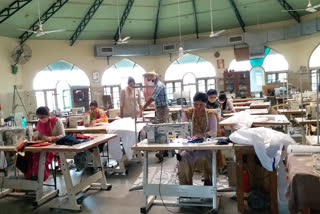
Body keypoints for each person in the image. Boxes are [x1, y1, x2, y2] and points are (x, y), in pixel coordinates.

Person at [177, 92, 225, 185]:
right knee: (182, 158)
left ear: (206, 104)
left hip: (206, 147)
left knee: (209, 158)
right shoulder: (187, 113)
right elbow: (184, 131)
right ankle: (186, 187)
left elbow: (214, 132)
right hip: (191, 148)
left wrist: (202, 135)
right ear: (193, 103)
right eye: (196, 104)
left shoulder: (211, 114)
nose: (198, 107)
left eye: (201, 105)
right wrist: (189, 137)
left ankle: (209, 182)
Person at [24, 106, 65, 181]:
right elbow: (39, 135)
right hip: (44, 145)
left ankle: (40, 176)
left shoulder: (56, 121)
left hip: (55, 145)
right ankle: (31, 174)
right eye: (39, 118)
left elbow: (63, 136)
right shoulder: (39, 123)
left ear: (48, 114)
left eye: (43, 117)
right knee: (28, 154)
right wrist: (36, 137)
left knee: (40, 155)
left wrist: (52, 138)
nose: (41, 119)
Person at [142, 71, 169, 161]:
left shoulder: (159, 86)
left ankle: (161, 152)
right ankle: (164, 151)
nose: (148, 81)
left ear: (153, 78)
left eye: (149, 79)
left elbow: (152, 98)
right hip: (160, 109)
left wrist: (143, 107)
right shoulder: (159, 85)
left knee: (161, 130)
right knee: (163, 130)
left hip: (162, 110)